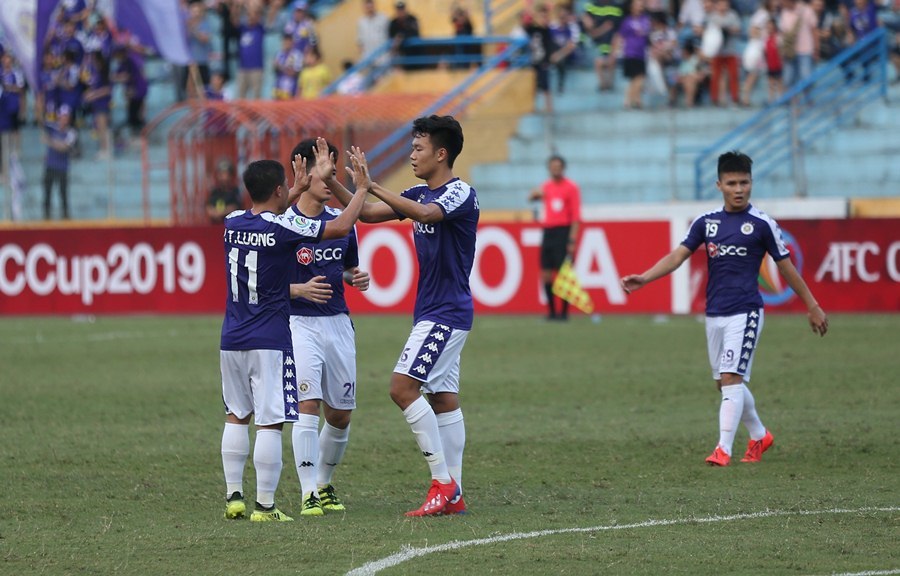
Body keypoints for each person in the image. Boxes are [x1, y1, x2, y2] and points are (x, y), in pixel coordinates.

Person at [619, 151, 829, 467]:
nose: (739, 189)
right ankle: (759, 435)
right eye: (732, 183)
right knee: (725, 382)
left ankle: (723, 449)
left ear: (751, 183)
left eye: (744, 182)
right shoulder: (707, 222)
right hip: (714, 313)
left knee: (731, 377)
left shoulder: (762, 224)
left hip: (746, 312)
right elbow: (678, 256)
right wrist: (645, 278)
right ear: (719, 185)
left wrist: (812, 305)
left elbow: (786, 268)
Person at [321, 115, 478, 517]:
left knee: (401, 388)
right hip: (432, 311)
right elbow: (369, 213)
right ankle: (455, 492)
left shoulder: (460, 193)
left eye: (418, 148)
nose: (411, 155)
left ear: (441, 154)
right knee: (443, 398)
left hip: (446, 312)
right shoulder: (418, 192)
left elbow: (426, 215)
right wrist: (337, 184)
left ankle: (442, 482)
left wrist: (371, 184)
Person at [219, 150, 369, 522]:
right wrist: (361, 191)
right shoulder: (283, 228)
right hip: (270, 335)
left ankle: (233, 497)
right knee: (270, 421)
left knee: (236, 415)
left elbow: (270, 212)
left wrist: (295, 187)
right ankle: (266, 506)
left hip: (231, 335)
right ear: (279, 189)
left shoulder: (231, 221)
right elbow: (335, 229)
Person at [286, 138, 371, 517]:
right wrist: (298, 290)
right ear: (301, 170)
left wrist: (353, 277)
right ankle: (307, 493)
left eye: (333, 172)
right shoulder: (282, 223)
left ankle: (323, 483)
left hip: (338, 323)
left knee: (340, 414)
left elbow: (345, 265)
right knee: (308, 405)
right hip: (298, 325)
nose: (329, 179)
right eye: (323, 171)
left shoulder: (342, 222)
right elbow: (260, 281)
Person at [528, 155, 582, 321]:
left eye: (558, 166)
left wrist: (572, 240)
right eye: (553, 166)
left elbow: (575, 217)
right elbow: (532, 198)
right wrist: (534, 195)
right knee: (545, 273)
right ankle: (551, 312)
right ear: (549, 168)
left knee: (563, 274)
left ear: (563, 168)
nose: (555, 169)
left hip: (563, 232)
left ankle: (564, 313)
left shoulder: (571, 187)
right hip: (548, 232)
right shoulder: (546, 186)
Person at [41, 105, 77, 220]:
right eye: (62, 116)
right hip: (50, 165)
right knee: (47, 193)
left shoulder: (71, 132)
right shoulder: (52, 128)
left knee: (63, 194)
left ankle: (65, 217)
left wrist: (50, 142)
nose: (64, 119)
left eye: (66, 117)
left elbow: (64, 147)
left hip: (63, 167)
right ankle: (46, 217)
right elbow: (41, 123)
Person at [207, 159, 242, 224]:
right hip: (216, 226)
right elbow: (209, 206)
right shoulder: (215, 191)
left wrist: (221, 213)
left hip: (231, 226)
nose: (224, 177)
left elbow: (235, 207)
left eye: (226, 174)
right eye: (221, 174)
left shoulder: (235, 191)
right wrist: (214, 213)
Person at [388, 1, 421, 70]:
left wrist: (402, 36)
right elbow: (391, 37)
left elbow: (416, 33)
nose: (401, 12)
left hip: (414, 54)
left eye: (402, 9)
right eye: (399, 10)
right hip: (401, 55)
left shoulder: (412, 19)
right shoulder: (393, 23)